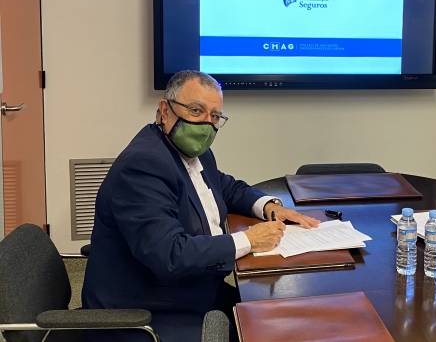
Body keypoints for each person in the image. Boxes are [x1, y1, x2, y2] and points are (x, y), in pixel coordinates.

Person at [82, 70, 318, 342]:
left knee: (281, 315)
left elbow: (226, 187)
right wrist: (249, 240)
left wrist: (269, 206)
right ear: (165, 111)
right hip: (149, 310)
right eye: (196, 111)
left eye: (215, 116)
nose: (207, 124)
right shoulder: (143, 166)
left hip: (195, 289)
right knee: (267, 331)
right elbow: (170, 255)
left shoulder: (194, 151)